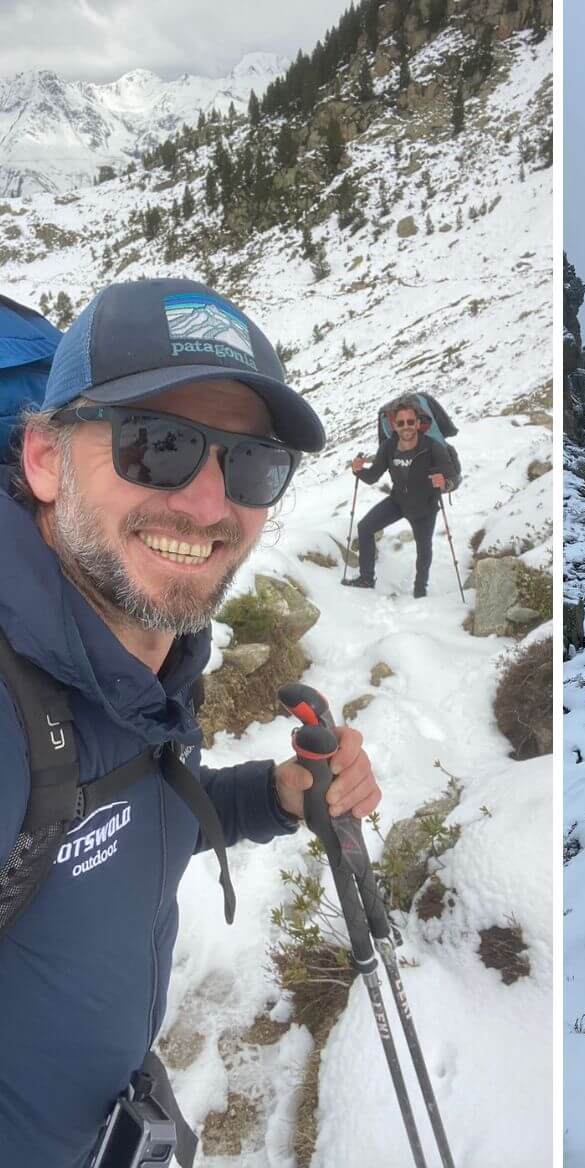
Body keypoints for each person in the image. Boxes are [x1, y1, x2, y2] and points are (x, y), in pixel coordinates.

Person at [0, 279, 382, 1165]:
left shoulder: (147, 654)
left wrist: (274, 798)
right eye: (158, 446)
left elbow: (128, 799)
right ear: (45, 459)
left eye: (251, 464)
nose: (211, 507)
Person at [344, 395, 458, 597]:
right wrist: (358, 470)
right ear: (394, 426)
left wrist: (444, 481)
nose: (406, 426)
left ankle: (420, 590)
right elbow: (372, 477)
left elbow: (451, 472)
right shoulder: (388, 447)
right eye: (401, 423)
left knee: (424, 549)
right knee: (365, 527)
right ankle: (366, 578)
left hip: (424, 507)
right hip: (398, 502)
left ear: (418, 423)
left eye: (410, 422)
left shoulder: (431, 446)